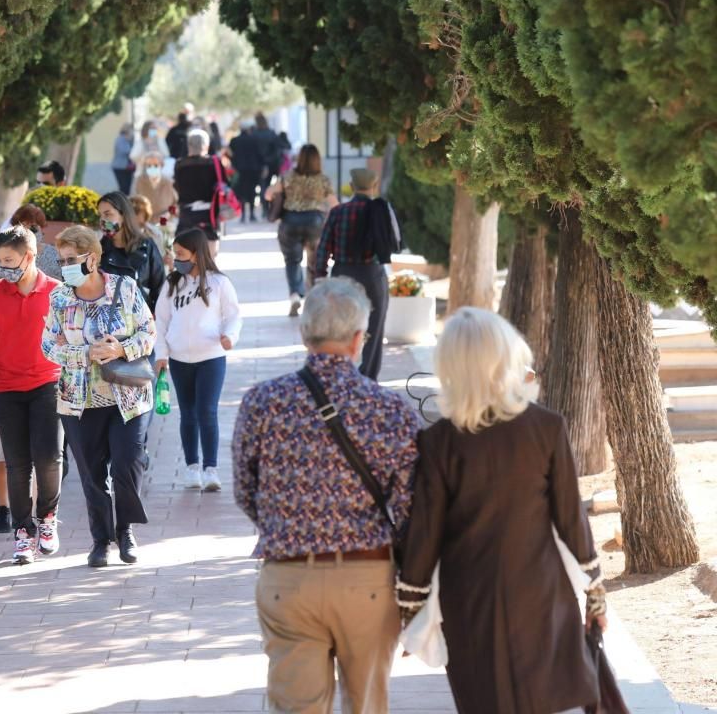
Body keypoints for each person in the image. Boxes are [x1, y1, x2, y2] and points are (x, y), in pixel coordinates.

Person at [397, 307, 607, 714]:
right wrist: (595, 594)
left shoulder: (439, 441)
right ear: (507, 353)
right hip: (541, 595)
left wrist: (411, 609)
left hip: (469, 601)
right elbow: (570, 521)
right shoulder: (547, 427)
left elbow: (425, 532)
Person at [231, 278, 422, 714]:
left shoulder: (263, 401)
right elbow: (412, 506)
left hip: (289, 579)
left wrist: (288, 526)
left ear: (305, 334)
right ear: (359, 340)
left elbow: (246, 491)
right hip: (367, 582)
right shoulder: (389, 409)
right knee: (368, 705)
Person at [42, 226, 156, 569]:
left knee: (127, 463)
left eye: (71, 260)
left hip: (129, 396)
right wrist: (86, 353)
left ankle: (125, 531)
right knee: (92, 475)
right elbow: (48, 346)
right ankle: (100, 540)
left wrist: (121, 347)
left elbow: (149, 333)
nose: (65, 267)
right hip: (79, 400)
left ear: (92, 258)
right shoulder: (59, 299)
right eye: (61, 261)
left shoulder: (125, 288)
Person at [0, 227, 64, 564]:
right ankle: (23, 532)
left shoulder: (57, 293)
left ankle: (47, 519)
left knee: (49, 458)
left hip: (48, 385)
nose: (3, 267)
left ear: (29, 256)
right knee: (17, 464)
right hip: (5, 389)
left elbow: (73, 342)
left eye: (9, 260)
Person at [154, 228, 241, 492]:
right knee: (188, 414)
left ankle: (210, 469)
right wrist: (161, 354)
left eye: (181, 254)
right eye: (174, 253)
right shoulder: (171, 284)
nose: (176, 258)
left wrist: (229, 336)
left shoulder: (219, 283)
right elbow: (161, 321)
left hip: (211, 357)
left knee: (207, 411)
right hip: (180, 359)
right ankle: (192, 468)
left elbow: (233, 315)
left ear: (197, 253)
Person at [313, 168, 395, 380]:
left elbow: (323, 248)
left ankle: (341, 372)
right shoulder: (381, 210)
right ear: (374, 186)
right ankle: (369, 377)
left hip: (343, 273)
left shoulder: (338, 212)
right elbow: (393, 243)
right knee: (375, 326)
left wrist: (320, 277)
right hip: (372, 273)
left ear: (352, 186)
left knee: (340, 325)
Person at [264, 144, 339, 317]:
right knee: (315, 262)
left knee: (292, 261)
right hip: (315, 223)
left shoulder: (288, 177)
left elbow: (268, 194)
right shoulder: (323, 180)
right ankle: (314, 300)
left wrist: (278, 195)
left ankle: (295, 295)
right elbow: (334, 205)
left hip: (290, 222)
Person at [98, 192, 166, 314]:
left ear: (123, 215)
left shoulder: (147, 246)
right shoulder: (100, 250)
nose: (103, 220)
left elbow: (160, 288)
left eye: (108, 214)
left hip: (141, 322)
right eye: (100, 215)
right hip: (108, 324)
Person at [172, 128, 223, 241]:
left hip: (187, 212)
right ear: (206, 145)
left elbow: (176, 186)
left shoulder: (180, 164)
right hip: (209, 212)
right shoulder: (214, 163)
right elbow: (223, 184)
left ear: (188, 145)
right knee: (211, 248)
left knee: (186, 249)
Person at [229, 121, 266, 223]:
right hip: (254, 170)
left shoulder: (235, 141)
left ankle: (243, 215)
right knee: (252, 192)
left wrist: (234, 163)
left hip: (240, 170)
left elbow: (230, 153)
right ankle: (252, 214)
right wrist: (263, 166)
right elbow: (260, 154)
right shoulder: (255, 140)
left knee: (241, 193)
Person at [133, 151, 177, 221]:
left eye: (156, 165)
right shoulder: (139, 181)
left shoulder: (169, 183)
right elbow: (133, 202)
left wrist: (168, 215)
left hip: (164, 223)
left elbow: (175, 204)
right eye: (149, 165)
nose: (152, 168)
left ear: (161, 165)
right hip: (145, 221)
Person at [129, 194, 169, 261]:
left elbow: (160, 257)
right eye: (134, 211)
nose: (135, 215)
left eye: (137, 211)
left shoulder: (156, 233)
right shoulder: (121, 232)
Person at [253, 112, 282, 201]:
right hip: (273, 164)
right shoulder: (271, 133)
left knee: (263, 186)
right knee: (272, 186)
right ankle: (271, 205)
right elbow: (277, 149)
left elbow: (254, 151)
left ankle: (265, 207)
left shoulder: (254, 134)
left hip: (260, 164)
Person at [111, 123, 136, 195]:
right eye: (132, 130)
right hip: (120, 167)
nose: (133, 132)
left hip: (129, 168)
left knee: (127, 188)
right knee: (123, 187)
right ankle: (122, 203)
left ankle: (125, 202)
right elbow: (125, 151)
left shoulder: (129, 140)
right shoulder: (121, 139)